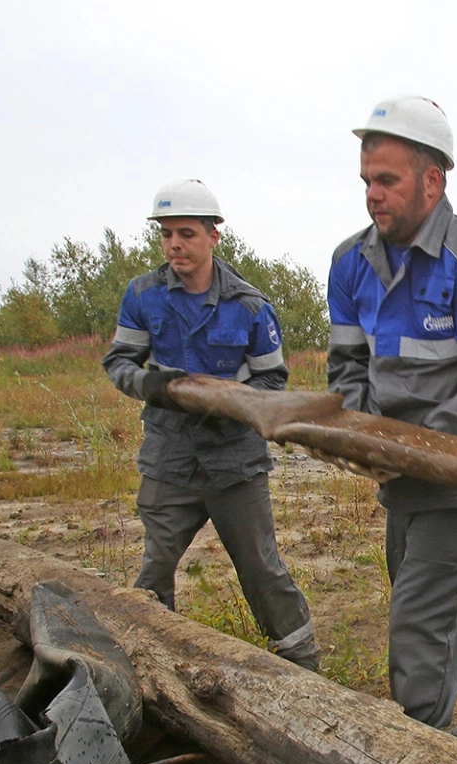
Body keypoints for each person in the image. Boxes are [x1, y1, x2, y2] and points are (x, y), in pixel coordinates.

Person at [324, 96, 457, 749]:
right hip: (401, 469)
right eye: (366, 181)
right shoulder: (351, 262)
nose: (372, 196)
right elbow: (348, 366)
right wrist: (360, 429)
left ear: (432, 180)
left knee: (418, 622)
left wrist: (410, 445)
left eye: (386, 180)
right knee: (432, 600)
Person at [101, 178, 319, 670]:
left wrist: (230, 407)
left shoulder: (250, 307)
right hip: (168, 457)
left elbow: (272, 382)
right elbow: (120, 363)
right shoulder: (142, 296)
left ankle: (304, 667)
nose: (174, 244)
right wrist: (150, 386)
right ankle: (147, 664)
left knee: (262, 570)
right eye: (166, 234)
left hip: (234, 461)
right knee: (154, 568)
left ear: (213, 235)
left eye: (186, 233)